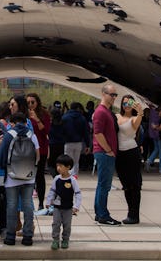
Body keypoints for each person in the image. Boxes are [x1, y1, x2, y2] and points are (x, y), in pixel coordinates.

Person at [0, 112, 38, 246]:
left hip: (11, 177)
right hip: (29, 177)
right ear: (26, 122)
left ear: (11, 123)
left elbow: (0, 155)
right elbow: (38, 156)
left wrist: (4, 168)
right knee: (27, 205)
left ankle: (10, 236)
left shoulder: (9, 135)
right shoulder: (32, 135)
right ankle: (27, 237)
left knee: (12, 207)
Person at [92, 84, 120, 225]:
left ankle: (99, 213)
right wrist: (108, 150)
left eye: (115, 95)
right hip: (104, 153)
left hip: (105, 152)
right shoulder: (101, 112)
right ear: (103, 94)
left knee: (102, 185)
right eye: (112, 94)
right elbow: (98, 133)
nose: (114, 97)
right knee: (105, 185)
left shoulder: (106, 111)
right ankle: (103, 214)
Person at [44, 154, 81, 250]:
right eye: (57, 166)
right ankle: (55, 240)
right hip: (57, 207)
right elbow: (52, 191)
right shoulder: (56, 179)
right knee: (56, 223)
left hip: (68, 208)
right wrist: (49, 201)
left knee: (67, 225)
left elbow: (78, 194)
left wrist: (76, 206)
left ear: (68, 167)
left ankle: (65, 239)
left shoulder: (72, 180)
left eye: (61, 166)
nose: (58, 168)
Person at [115, 95, 143, 224]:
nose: (126, 105)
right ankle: (130, 212)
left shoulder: (134, 118)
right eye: (124, 103)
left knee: (134, 185)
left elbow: (137, 124)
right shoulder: (116, 116)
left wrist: (140, 112)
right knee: (125, 185)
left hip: (132, 152)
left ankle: (134, 214)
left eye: (129, 103)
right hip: (119, 154)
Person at [26, 93, 50, 209]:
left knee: (39, 176)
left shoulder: (44, 114)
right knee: (28, 176)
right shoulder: (24, 115)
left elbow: (45, 131)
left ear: (37, 102)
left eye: (33, 102)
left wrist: (36, 118)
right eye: (28, 102)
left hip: (41, 149)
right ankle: (28, 202)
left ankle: (41, 202)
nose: (30, 104)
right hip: (26, 150)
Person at [61, 102, 89, 177]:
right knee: (76, 161)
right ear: (78, 108)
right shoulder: (82, 118)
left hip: (68, 142)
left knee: (67, 161)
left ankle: (67, 176)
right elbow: (86, 132)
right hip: (78, 143)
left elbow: (62, 130)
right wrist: (88, 144)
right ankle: (75, 176)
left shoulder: (65, 117)